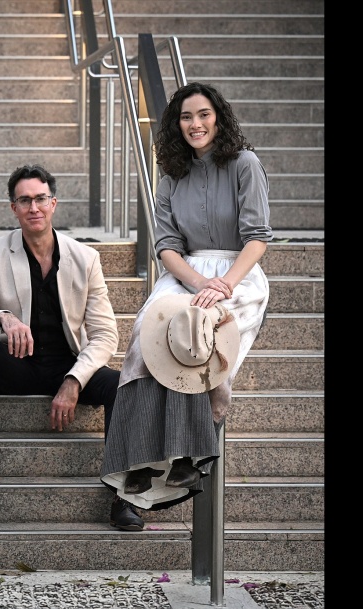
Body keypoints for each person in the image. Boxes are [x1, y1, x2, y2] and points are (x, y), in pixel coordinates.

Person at [99, 81, 272, 511]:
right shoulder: (170, 177)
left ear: (219, 118)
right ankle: (138, 460)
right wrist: (198, 284)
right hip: (185, 273)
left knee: (199, 332)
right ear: (176, 125)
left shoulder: (245, 164)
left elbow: (257, 238)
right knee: (145, 333)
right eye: (186, 117)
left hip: (236, 272)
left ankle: (187, 457)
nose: (195, 124)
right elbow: (166, 248)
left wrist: (223, 284)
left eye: (204, 114)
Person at [0, 164, 144, 531]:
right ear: (13, 208)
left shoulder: (85, 258)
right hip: (17, 365)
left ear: (53, 203)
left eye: (41, 199)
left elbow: (106, 335)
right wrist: (3, 318)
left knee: (123, 384)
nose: (34, 208)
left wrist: (73, 381)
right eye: (24, 200)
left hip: (66, 366)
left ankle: (123, 495)